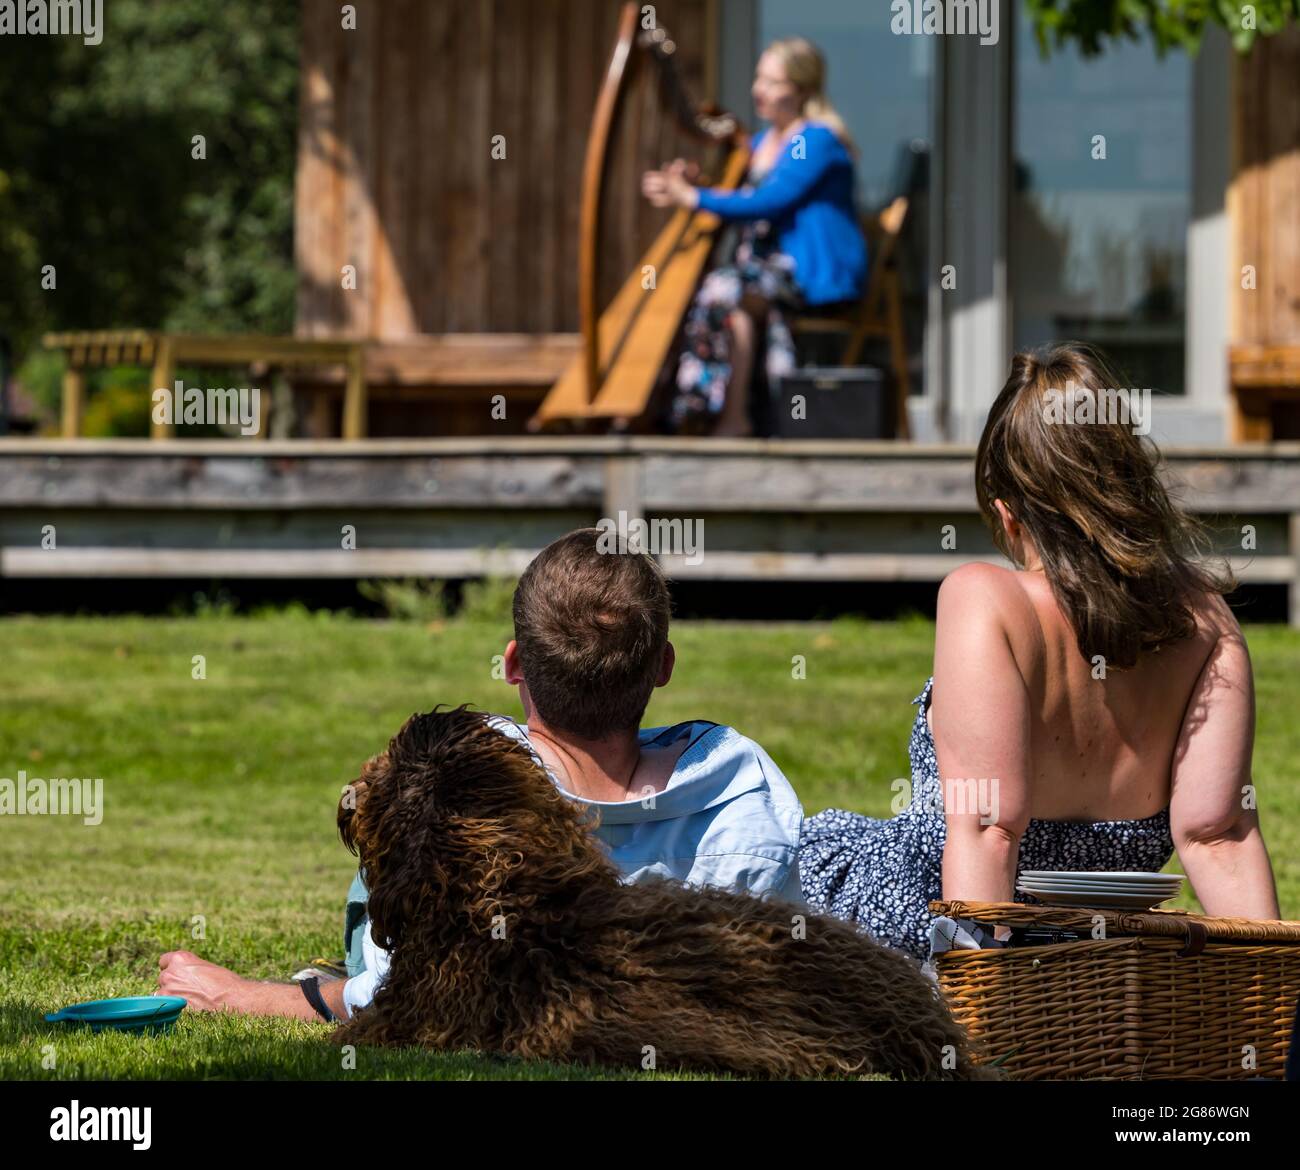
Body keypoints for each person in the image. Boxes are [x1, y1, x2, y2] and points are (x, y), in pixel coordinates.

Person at [159, 528, 804, 1020]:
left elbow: (397, 996)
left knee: (395, 798)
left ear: (514, 664)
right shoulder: (743, 789)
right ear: (663, 666)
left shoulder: (458, 785)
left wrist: (244, 995)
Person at [798, 343, 1282, 960]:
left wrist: (985, 1016)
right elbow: (1220, 838)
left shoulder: (986, 600)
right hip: (1104, 964)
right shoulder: (1207, 622)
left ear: (1007, 512)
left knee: (761, 864)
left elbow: (987, 831)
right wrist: (1269, 1011)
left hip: (926, 940)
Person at [642, 37, 867, 436]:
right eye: (758, 79)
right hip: (760, 276)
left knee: (724, 289)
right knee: (731, 293)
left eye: (771, 81)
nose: (757, 90)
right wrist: (693, 184)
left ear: (801, 90)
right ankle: (721, 413)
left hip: (807, 274)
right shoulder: (761, 143)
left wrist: (694, 197)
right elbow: (739, 196)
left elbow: (768, 201)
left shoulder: (816, 140)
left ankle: (722, 412)